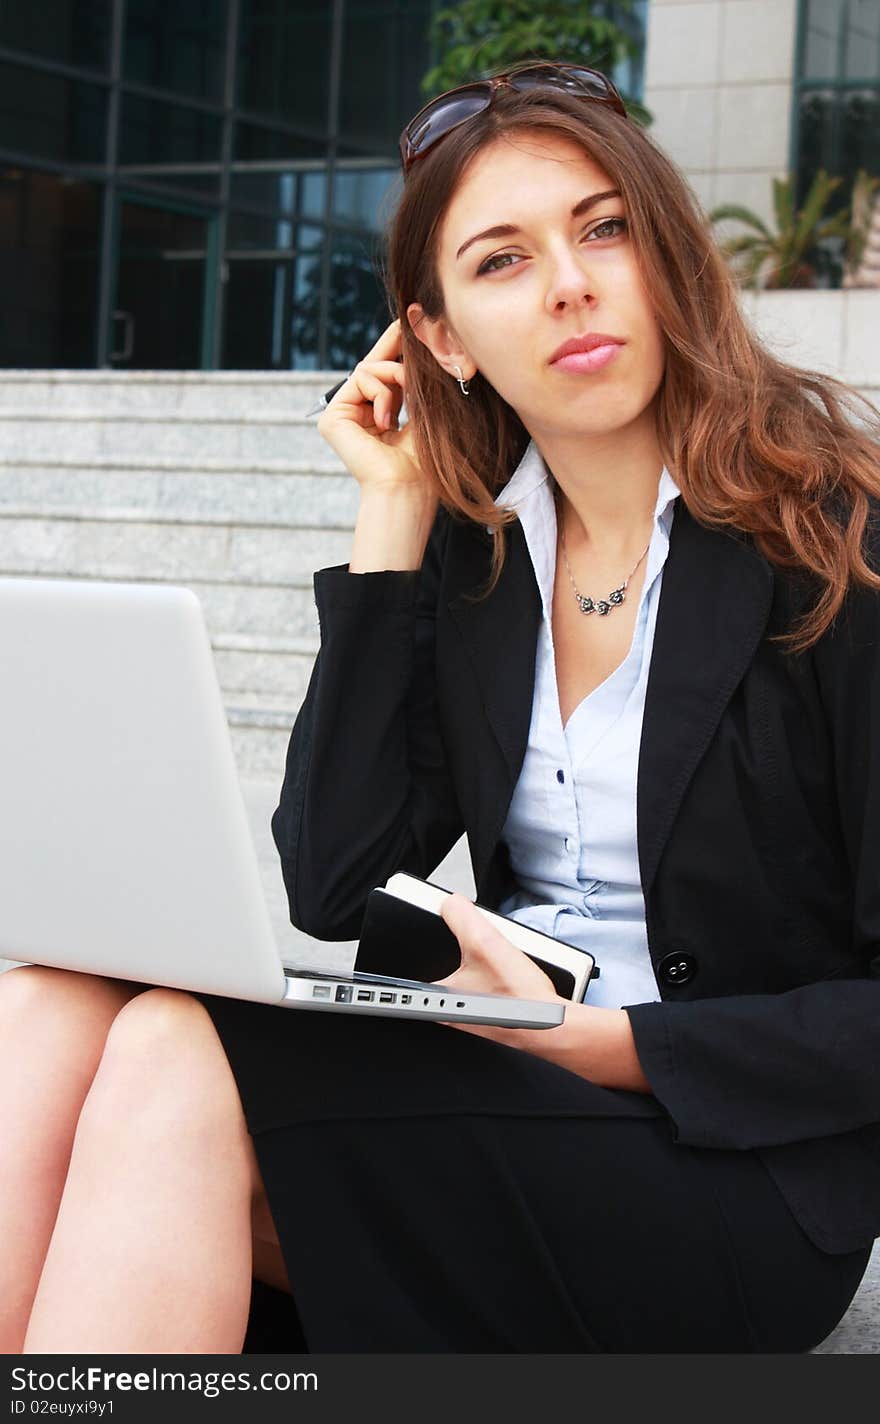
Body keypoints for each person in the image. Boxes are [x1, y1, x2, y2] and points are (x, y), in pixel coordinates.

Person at [4, 60, 880, 1355]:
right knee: (51, 1001)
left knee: (181, 1062)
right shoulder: (479, 574)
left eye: (602, 228)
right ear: (445, 337)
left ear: (671, 258)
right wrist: (392, 516)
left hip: (735, 1170)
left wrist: (605, 1042)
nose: (571, 282)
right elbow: (338, 880)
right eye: (502, 259)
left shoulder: (835, 541)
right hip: (497, 1082)